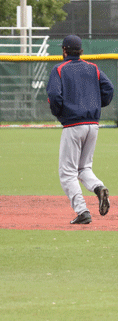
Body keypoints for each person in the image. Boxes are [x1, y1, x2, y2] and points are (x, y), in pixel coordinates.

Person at [46, 34, 114, 224]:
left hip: (73, 125)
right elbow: (109, 89)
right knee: (84, 168)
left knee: (67, 173)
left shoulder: (59, 69)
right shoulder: (93, 67)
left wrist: (61, 113)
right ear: (81, 51)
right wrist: (95, 106)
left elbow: (53, 95)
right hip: (93, 125)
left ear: (64, 50)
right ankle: (99, 188)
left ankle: (82, 210)